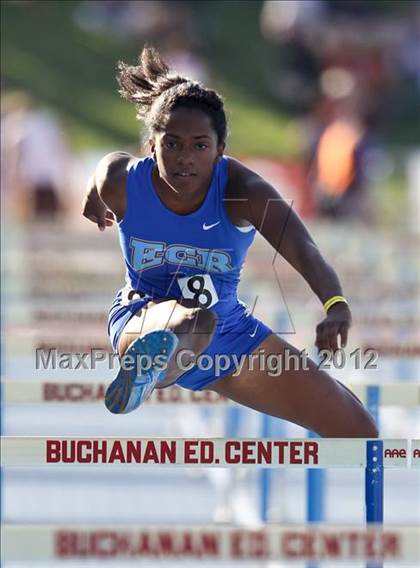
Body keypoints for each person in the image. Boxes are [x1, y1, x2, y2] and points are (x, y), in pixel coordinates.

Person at [82, 46, 377, 438]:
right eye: (172, 144)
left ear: (220, 150)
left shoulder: (245, 191)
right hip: (143, 320)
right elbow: (106, 169)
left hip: (230, 336)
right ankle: (148, 371)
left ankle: (166, 363)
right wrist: (93, 194)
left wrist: (335, 303)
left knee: (359, 431)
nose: (185, 157)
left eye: (200, 146)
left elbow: (304, 249)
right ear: (151, 146)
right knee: (192, 319)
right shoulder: (123, 182)